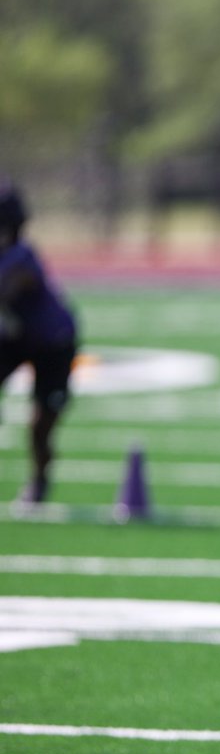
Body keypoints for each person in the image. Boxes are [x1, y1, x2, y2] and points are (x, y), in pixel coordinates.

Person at [0, 179, 79, 508]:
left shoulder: (21, 258)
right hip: (14, 337)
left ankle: (39, 481)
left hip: (52, 342)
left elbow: (8, 288)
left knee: (42, 423)